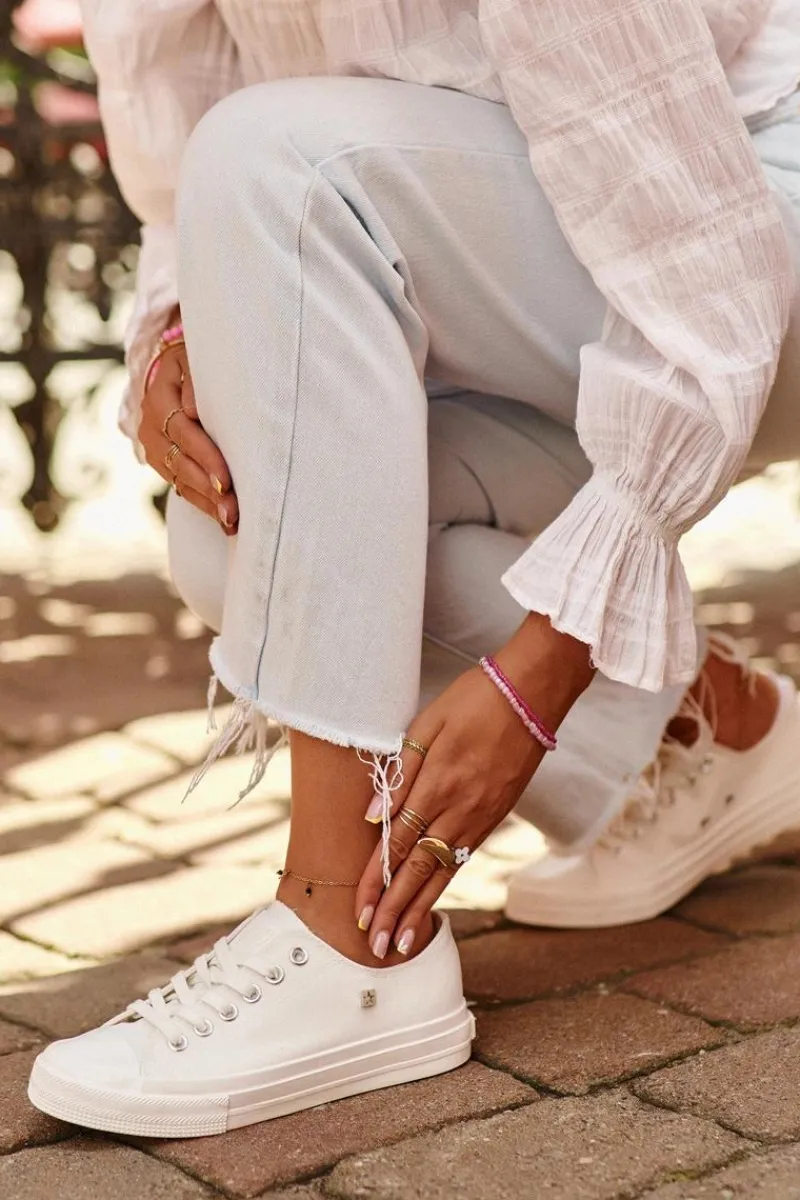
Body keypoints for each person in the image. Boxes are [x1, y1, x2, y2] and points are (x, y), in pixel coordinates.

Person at [28, 0, 800, 1138]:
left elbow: (704, 282)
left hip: (742, 230)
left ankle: (347, 944)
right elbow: (179, 175)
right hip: (546, 256)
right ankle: (704, 729)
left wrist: (548, 668)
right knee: (231, 541)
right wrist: (175, 339)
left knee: (283, 162)